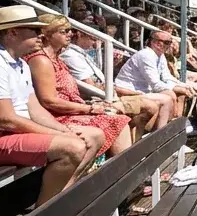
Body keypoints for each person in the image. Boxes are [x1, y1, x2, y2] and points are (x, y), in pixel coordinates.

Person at [0, 6, 101, 207]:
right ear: (12, 33)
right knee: (72, 148)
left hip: (2, 135)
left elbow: (34, 110)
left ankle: (59, 199)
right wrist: (64, 136)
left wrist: (64, 130)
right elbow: (6, 118)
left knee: (94, 135)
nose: (40, 35)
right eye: (34, 30)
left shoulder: (20, 64)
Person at [24, 16, 134, 159]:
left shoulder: (56, 58)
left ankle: (126, 170)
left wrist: (91, 105)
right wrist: (89, 108)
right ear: (48, 34)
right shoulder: (41, 60)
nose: (70, 34)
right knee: (118, 120)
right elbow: (49, 101)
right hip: (55, 117)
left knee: (117, 114)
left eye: (70, 30)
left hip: (70, 111)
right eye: (64, 31)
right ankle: (125, 173)